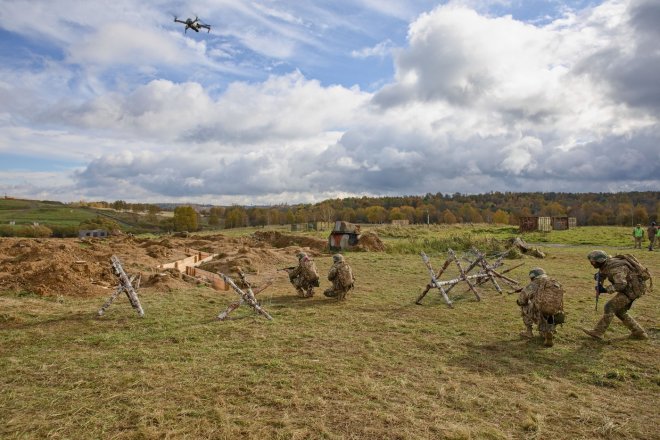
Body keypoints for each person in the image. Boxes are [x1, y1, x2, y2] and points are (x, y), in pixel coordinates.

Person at [582, 250, 650, 340]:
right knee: (620, 311)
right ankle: (639, 333)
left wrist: (605, 290)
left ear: (600, 261)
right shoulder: (607, 263)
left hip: (632, 290)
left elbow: (621, 284)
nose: (591, 263)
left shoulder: (616, 269)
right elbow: (605, 270)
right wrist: (600, 276)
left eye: (593, 261)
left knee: (610, 306)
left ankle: (598, 332)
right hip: (632, 287)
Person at [516, 267, 564, 347]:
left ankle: (529, 332)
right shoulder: (554, 283)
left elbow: (522, 300)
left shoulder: (533, 284)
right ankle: (549, 331)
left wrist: (520, 301)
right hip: (555, 312)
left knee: (525, 306)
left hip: (539, 311)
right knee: (549, 312)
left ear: (532, 276)